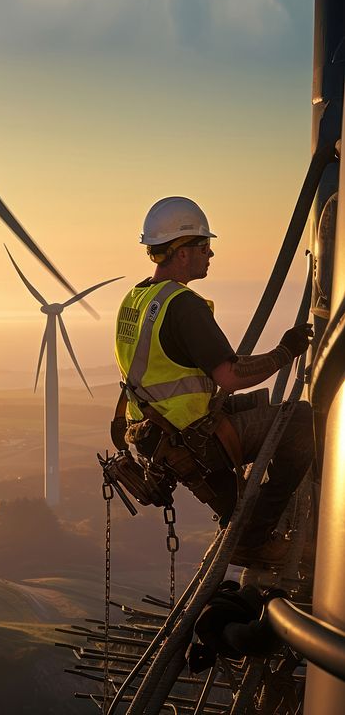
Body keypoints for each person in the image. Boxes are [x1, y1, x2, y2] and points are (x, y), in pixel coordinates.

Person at [114, 196, 314, 567]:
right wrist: (285, 351)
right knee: (302, 422)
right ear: (181, 252)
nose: (211, 254)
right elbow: (230, 376)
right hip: (192, 439)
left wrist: (273, 355)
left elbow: (208, 370)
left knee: (260, 405)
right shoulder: (182, 305)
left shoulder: (136, 298)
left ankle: (241, 519)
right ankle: (252, 538)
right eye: (205, 246)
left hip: (158, 438)